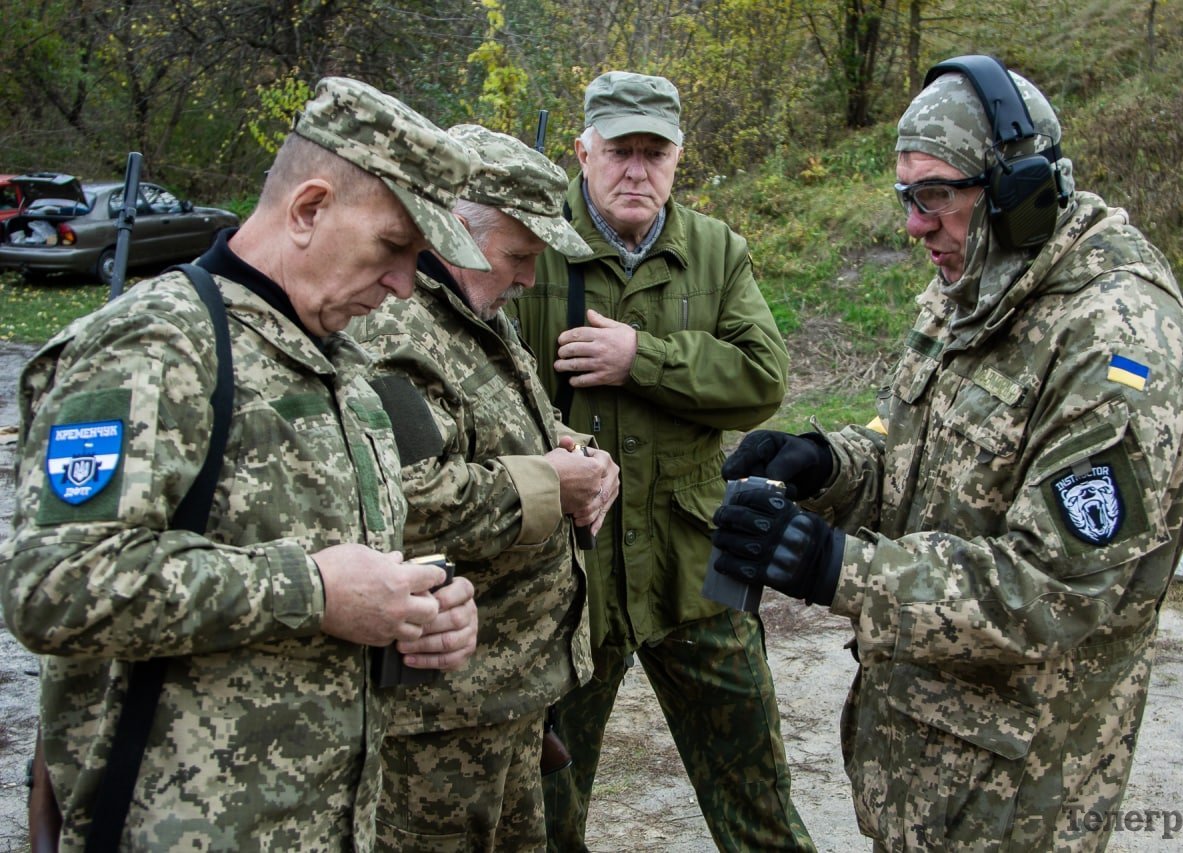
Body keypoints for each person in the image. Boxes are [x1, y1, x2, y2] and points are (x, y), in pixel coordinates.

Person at [710, 55, 1183, 851]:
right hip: (925, 767)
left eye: (935, 196)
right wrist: (827, 465)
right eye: (906, 196)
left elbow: (1052, 589)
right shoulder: (974, 285)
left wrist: (833, 566)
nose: (915, 226)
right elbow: (909, 453)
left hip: (1018, 797)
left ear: (1019, 192)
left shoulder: (1117, 342)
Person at [0, 77, 485, 851]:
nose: (404, 286)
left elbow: (351, 573)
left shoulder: (341, 366)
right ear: (309, 208)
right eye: (394, 248)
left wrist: (424, 614)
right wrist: (313, 590)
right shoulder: (158, 343)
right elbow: (53, 585)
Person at [509, 71, 813, 851]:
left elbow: (763, 378)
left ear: (678, 158)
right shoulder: (527, 245)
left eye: (655, 152)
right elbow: (483, 392)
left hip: (695, 564)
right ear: (583, 152)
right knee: (542, 814)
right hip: (568, 579)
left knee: (758, 800)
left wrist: (640, 357)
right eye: (620, 151)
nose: (636, 170)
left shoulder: (715, 250)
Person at [346, 123, 619, 851]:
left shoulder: (472, 313)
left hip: (508, 690)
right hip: (441, 711)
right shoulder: (399, 329)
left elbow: (520, 427)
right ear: (451, 231)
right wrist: (553, 484)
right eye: (518, 256)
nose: (528, 278)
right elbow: (408, 499)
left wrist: (585, 461)